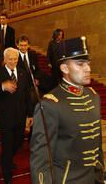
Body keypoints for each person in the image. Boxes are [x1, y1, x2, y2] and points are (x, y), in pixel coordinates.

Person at [30, 36, 104, 184]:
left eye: (88, 63)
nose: (88, 68)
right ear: (64, 68)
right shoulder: (51, 104)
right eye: (80, 64)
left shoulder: (93, 97)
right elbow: (41, 160)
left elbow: (97, 148)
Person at [0, 48, 33, 184]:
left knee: (18, 142)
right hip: (5, 118)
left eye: (15, 59)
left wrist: (30, 114)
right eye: (10, 59)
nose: (13, 61)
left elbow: (28, 96)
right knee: (7, 146)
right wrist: (2, 86)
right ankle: (6, 172)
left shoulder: (23, 73)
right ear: (4, 59)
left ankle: (7, 160)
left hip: (20, 117)